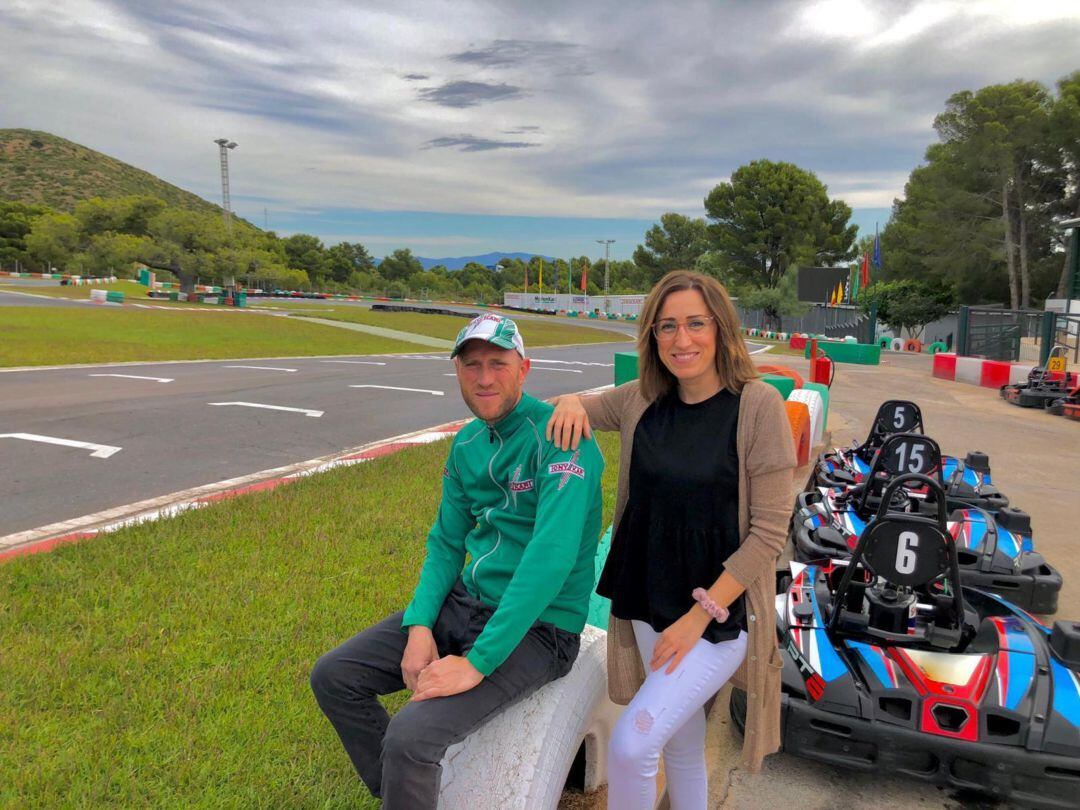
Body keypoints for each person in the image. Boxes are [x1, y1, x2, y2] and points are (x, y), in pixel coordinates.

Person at [310, 313, 604, 810]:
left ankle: (407, 787)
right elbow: (446, 543)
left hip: (542, 628)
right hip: (467, 602)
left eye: (497, 363)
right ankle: (402, 793)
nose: (484, 378)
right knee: (335, 676)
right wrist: (421, 624)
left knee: (411, 737)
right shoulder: (467, 442)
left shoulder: (562, 438)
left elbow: (549, 561)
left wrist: (477, 664)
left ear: (524, 367)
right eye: (471, 366)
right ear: (457, 372)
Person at [546, 270, 796, 809]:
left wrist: (699, 616)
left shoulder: (757, 407)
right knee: (680, 743)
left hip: (718, 621)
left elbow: (770, 531)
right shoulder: (643, 399)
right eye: (667, 327)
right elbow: (582, 409)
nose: (681, 340)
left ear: (721, 329)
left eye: (695, 324)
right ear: (652, 336)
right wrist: (569, 400)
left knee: (634, 747)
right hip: (646, 598)